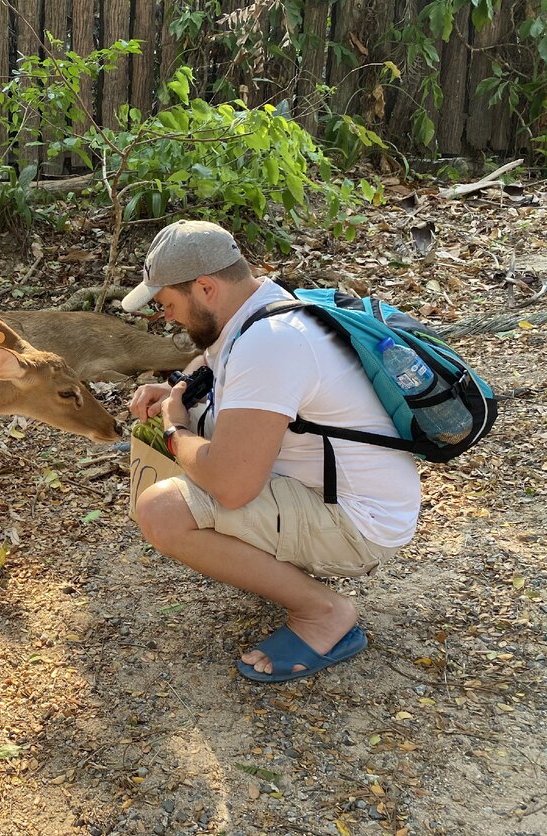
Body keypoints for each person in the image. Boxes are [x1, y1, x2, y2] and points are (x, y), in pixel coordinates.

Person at [123, 220, 421, 683]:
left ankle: (323, 613)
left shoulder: (270, 343)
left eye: (168, 305)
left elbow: (232, 485)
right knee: (199, 458)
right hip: (357, 498)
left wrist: (173, 428)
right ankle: (287, 572)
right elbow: (210, 361)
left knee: (163, 510)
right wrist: (178, 387)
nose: (168, 319)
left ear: (205, 288)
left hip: (359, 523)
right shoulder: (267, 307)